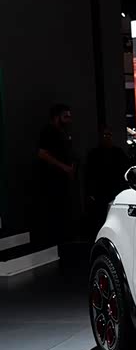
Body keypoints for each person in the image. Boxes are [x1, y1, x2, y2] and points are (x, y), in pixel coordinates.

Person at [34, 103, 75, 248]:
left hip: (62, 180)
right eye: (66, 116)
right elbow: (42, 153)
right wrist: (64, 167)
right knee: (55, 213)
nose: (69, 120)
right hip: (52, 181)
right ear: (57, 117)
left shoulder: (62, 132)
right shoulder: (48, 131)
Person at [86, 127, 129, 233]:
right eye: (105, 135)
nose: (107, 138)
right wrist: (91, 192)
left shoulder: (118, 153)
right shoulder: (94, 154)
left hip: (115, 192)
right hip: (100, 193)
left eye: (109, 135)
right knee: (101, 219)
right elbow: (89, 174)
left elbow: (125, 170)